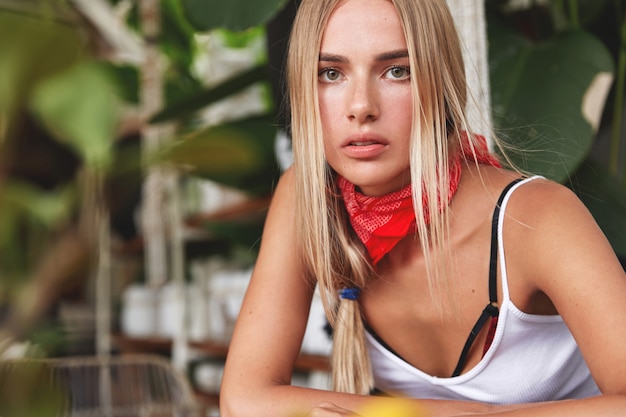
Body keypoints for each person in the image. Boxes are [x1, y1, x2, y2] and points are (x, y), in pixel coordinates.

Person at [219, 0, 626, 416]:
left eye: (397, 70)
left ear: (441, 81)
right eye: (331, 73)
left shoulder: (535, 218)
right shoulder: (307, 200)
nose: (361, 106)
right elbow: (245, 399)